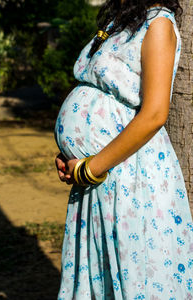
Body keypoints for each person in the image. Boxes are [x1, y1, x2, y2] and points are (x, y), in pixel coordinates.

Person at [54, 0, 193, 298]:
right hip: (101, 176)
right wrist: (72, 156)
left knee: (133, 277)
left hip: (131, 177)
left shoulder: (158, 24)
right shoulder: (120, 22)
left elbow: (155, 113)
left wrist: (91, 168)